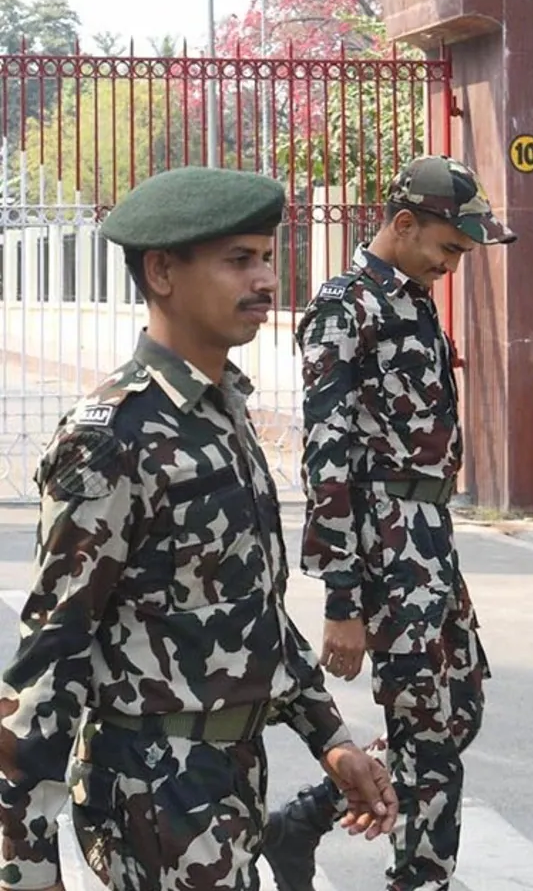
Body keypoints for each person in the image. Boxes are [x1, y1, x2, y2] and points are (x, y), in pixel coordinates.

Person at [0, 165, 398, 891]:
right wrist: (27, 872)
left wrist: (332, 742)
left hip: (227, 781)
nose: (266, 280)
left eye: (267, 257)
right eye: (238, 260)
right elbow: (51, 654)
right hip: (154, 793)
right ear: (162, 272)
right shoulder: (113, 439)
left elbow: (252, 613)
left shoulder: (222, 412)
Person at [262, 154, 514, 891]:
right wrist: (343, 599)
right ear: (403, 224)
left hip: (428, 534)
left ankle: (303, 819)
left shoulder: (413, 298)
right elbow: (327, 453)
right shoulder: (347, 306)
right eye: (447, 248)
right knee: (428, 734)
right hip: (384, 541)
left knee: (457, 708)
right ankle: (419, 879)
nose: (452, 265)